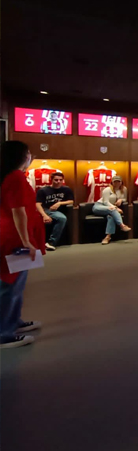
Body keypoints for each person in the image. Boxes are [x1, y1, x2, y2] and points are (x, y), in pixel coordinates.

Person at [0, 141, 45, 349]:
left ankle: (13, 321)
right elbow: (18, 211)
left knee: (17, 284)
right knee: (10, 285)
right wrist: (26, 241)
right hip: (15, 239)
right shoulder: (15, 178)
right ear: (21, 155)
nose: (31, 156)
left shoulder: (14, 176)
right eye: (29, 153)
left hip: (16, 236)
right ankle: (4, 333)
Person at [35, 170, 74, 251]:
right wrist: (44, 215)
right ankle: (52, 242)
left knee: (62, 217)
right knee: (62, 218)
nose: (58, 182)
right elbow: (38, 204)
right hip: (47, 209)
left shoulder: (66, 189)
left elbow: (71, 201)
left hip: (59, 210)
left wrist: (59, 203)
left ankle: (50, 243)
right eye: (56, 180)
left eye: (60, 180)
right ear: (51, 180)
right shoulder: (43, 190)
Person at [93, 175, 131, 244]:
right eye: (115, 182)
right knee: (113, 210)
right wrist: (115, 208)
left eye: (118, 182)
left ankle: (107, 237)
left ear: (121, 182)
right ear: (112, 182)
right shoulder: (107, 190)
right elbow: (106, 202)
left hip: (111, 209)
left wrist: (121, 200)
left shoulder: (124, 189)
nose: (117, 183)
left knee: (111, 216)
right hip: (99, 206)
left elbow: (125, 198)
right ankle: (122, 225)